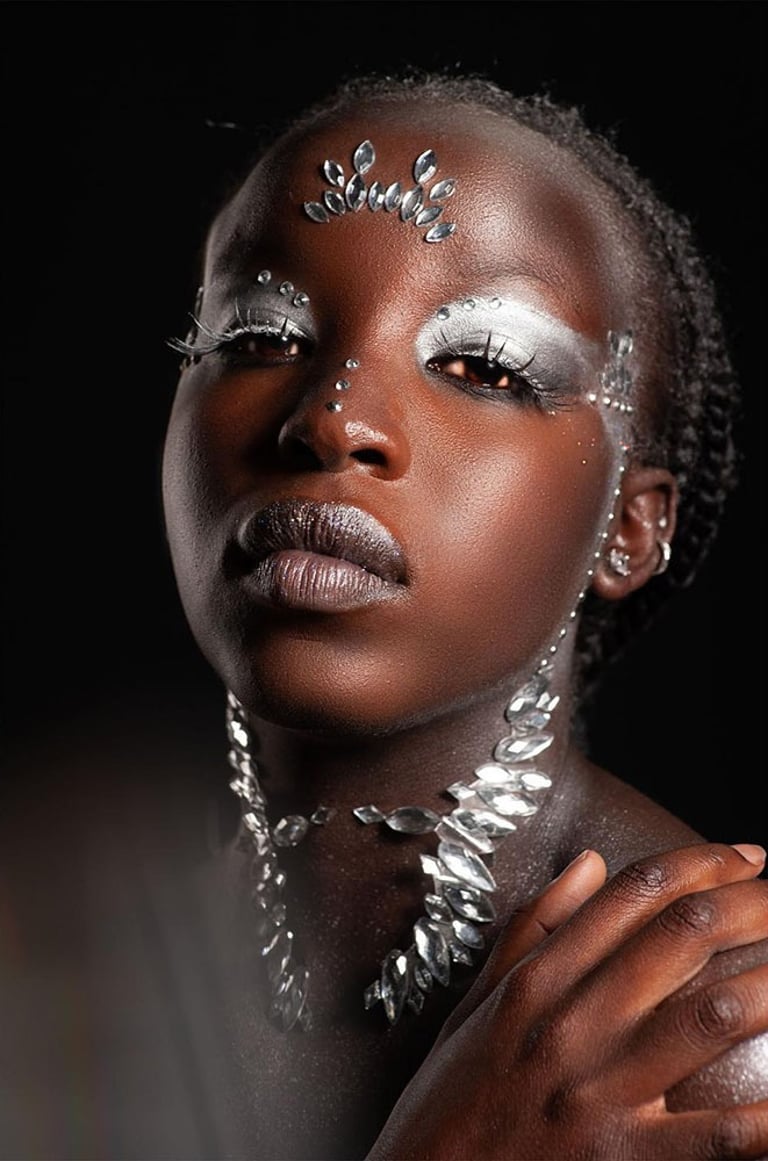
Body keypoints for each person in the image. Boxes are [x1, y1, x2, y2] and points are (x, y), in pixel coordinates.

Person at [159, 69, 768, 1159]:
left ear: (628, 528)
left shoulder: (708, 1047)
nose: (334, 419)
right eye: (258, 337)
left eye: (482, 365)